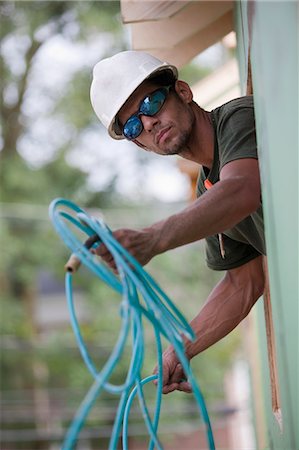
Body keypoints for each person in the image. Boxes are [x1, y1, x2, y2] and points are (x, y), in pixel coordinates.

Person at [90, 50, 265, 394]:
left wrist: (153, 239)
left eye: (151, 103)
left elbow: (242, 190)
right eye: (134, 125)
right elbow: (242, 284)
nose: (149, 122)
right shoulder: (208, 192)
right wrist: (179, 350)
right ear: (139, 144)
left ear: (182, 92)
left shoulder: (239, 118)